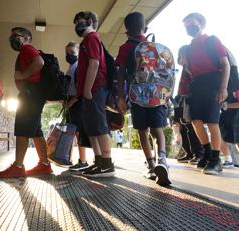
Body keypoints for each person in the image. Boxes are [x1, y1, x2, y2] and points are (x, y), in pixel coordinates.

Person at [116, 12, 170, 185]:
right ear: (145, 28)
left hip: (137, 95)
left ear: (126, 31)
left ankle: (151, 166)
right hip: (156, 94)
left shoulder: (125, 48)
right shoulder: (155, 47)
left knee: (142, 130)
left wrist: (120, 96)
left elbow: (121, 73)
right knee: (158, 129)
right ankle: (162, 159)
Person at [0, 27, 52, 178]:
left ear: (26, 37)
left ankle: (18, 166)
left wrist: (23, 75)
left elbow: (39, 62)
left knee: (22, 128)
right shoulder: (25, 51)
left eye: (16, 36)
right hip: (34, 94)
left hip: (30, 94)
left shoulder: (27, 48)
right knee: (35, 131)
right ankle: (44, 164)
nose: (13, 38)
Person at [183, 12, 230, 175]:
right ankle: (207, 152)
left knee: (212, 121)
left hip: (212, 81)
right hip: (196, 83)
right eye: (186, 25)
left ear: (201, 23)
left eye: (191, 24)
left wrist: (223, 88)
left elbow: (226, 65)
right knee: (195, 120)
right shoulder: (189, 47)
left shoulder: (212, 41)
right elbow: (190, 71)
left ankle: (216, 160)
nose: (189, 27)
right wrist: (186, 65)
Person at [73, 11, 114, 178]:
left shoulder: (92, 38)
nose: (76, 26)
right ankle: (99, 161)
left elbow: (94, 63)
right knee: (91, 127)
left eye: (79, 21)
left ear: (90, 21)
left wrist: (88, 89)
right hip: (89, 90)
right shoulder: (86, 41)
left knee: (99, 125)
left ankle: (107, 163)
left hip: (95, 87)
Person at [174, 45, 203, 164]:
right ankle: (189, 152)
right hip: (181, 98)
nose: (180, 58)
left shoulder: (192, 67)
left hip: (190, 98)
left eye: (182, 55)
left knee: (191, 127)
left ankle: (198, 153)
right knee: (183, 126)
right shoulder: (184, 68)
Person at [64, 41, 89, 171]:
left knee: (78, 132)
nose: (69, 55)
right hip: (71, 102)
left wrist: (71, 102)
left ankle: (83, 161)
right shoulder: (71, 67)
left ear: (79, 53)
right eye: (67, 53)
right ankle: (69, 158)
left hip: (76, 103)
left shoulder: (78, 67)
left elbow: (80, 89)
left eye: (72, 53)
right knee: (73, 132)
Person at [220, 89, 239, 168]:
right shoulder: (220, 87)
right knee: (218, 137)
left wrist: (227, 105)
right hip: (224, 117)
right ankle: (228, 160)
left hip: (236, 118)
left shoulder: (238, 88)